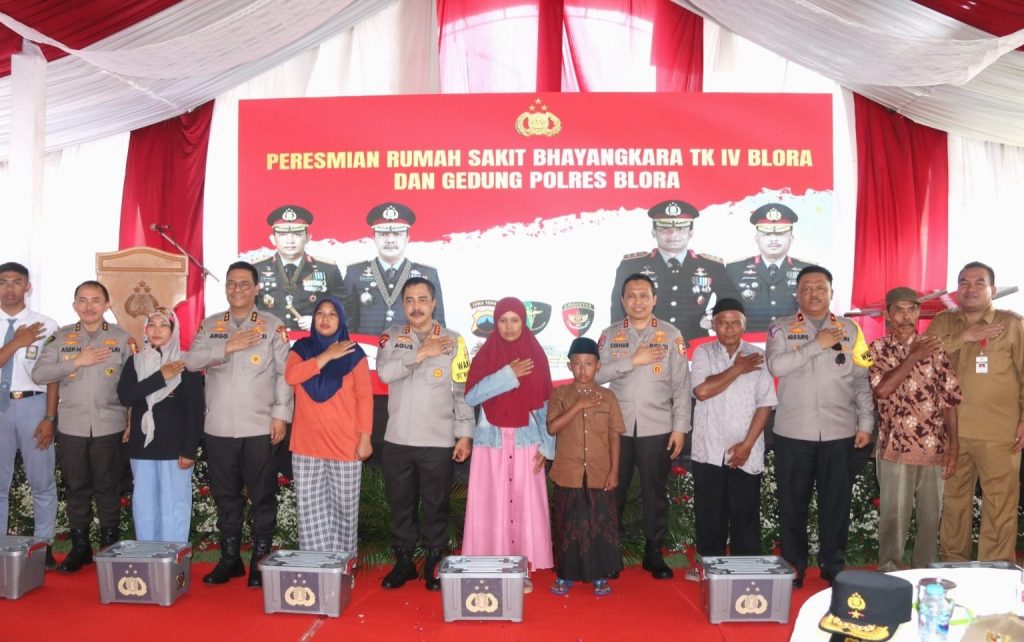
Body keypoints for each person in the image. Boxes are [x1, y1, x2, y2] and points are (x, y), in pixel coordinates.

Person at [765, 265, 874, 587]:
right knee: (792, 504)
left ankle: (833, 565)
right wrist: (816, 344)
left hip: (840, 432)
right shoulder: (780, 328)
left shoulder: (851, 329)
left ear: (831, 293)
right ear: (797, 294)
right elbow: (776, 365)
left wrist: (866, 422)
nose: (814, 293)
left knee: (836, 504)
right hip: (793, 432)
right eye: (807, 288)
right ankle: (794, 565)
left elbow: (861, 380)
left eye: (820, 288)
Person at [185, 261, 292, 587]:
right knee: (225, 496)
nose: (237, 289)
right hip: (219, 427)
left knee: (262, 496)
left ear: (257, 288)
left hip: (259, 426)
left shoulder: (273, 325)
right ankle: (229, 558)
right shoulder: (211, 325)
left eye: (244, 284)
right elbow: (191, 361)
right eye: (231, 283)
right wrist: (227, 347)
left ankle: (260, 561)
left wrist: (280, 414)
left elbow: (284, 374)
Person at [376, 277, 473, 591]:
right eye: (409, 300)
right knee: (400, 505)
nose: (415, 306)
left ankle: (434, 561)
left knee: (435, 505)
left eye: (422, 299)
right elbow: (385, 374)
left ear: (433, 303)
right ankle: (404, 561)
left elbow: (462, 391)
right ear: (402, 304)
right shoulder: (391, 337)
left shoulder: (455, 341)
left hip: (437, 440)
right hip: (398, 440)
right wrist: (420, 353)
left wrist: (464, 434)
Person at [32, 280, 135, 572]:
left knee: (108, 488)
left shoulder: (122, 338)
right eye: (83, 300)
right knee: (76, 488)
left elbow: (132, 384)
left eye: (95, 300)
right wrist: (76, 362)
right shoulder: (60, 337)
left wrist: (130, 420)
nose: (89, 306)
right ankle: (80, 547)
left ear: (106, 304)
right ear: (74, 305)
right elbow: (40, 374)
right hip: (72, 426)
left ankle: (109, 545)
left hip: (110, 425)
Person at [924, 262, 1024, 563]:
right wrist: (963, 337)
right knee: (954, 503)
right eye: (964, 282)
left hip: (1000, 433)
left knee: (1000, 505)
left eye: (979, 282)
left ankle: (995, 568)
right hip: (952, 435)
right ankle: (954, 564)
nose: (970, 288)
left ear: (993, 289)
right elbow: (921, 358)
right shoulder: (943, 322)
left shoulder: (1011, 324)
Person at [596, 273, 690, 580]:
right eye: (631, 295)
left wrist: (680, 428)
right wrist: (632, 361)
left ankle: (653, 553)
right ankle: (610, 553)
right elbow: (595, 374)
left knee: (655, 492)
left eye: (643, 295)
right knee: (613, 491)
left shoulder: (671, 335)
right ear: (622, 301)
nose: (637, 301)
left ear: (654, 299)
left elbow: (681, 386)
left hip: (658, 427)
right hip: (618, 428)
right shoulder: (610, 334)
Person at [462, 297, 554, 590]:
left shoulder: (535, 355)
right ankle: (493, 566)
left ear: (524, 322)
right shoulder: (487, 354)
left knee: (525, 505)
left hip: (527, 440)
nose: (509, 326)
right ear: (495, 323)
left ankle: (522, 568)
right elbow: (472, 396)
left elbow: (546, 405)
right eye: (503, 320)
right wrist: (508, 375)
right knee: (492, 505)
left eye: (515, 320)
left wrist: (548, 446)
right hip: (492, 442)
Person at [868, 287, 961, 571]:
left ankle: (925, 571)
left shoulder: (935, 347)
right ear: (888, 315)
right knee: (894, 515)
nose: (905, 316)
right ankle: (890, 571)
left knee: (930, 517)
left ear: (919, 313)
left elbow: (949, 398)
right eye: (899, 310)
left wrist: (954, 445)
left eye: (911, 310)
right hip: (895, 446)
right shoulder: (878, 348)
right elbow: (882, 390)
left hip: (934, 446)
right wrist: (912, 357)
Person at [687, 298, 776, 581]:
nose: (729, 328)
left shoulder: (757, 356)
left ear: (744, 326)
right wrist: (737, 369)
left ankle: (745, 575)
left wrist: (747, 446)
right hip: (708, 450)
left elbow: (765, 404)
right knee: (709, 515)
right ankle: (710, 572)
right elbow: (702, 392)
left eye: (735, 322)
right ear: (713, 325)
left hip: (746, 451)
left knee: (745, 516)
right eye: (722, 323)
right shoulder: (703, 353)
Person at [284, 296, 372, 554]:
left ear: (341, 320)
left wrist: (365, 438)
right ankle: (316, 568)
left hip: (345, 445)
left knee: (344, 511)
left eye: (332, 314)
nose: (325, 319)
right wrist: (326, 356)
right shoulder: (301, 348)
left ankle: (342, 567)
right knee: (310, 512)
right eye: (320, 313)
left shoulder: (354, 353)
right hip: (307, 446)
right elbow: (291, 376)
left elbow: (364, 398)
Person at [116, 307, 203, 543]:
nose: (157, 330)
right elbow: (126, 397)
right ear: (145, 330)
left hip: (175, 448)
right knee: (144, 503)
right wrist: (160, 377)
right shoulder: (135, 361)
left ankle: (174, 553)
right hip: (142, 445)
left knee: (174, 503)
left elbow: (195, 411)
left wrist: (189, 450)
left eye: (164, 325)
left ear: (173, 330)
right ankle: (147, 553)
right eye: (152, 325)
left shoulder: (186, 363)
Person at [547, 337, 625, 597]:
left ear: (598, 366)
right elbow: (552, 427)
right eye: (577, 364)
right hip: (568, 473)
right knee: (568, 526)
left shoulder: (608, 397)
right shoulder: (560, 394)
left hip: (599, 472)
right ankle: (565, 575)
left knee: (599, 526)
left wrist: (614, 471)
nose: (583, 369)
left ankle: (600, 576)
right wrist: (578, 406)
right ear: (569, 366)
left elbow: (614, 435)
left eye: (588, 364)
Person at [610, 200, 739, 341]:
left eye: (681, 228)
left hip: (694, 345)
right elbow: (618, 311)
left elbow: (732, 303)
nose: (673, 234)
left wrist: (714, 317)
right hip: (645, 344)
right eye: (665, 228)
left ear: (691, 232)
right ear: (654, 232)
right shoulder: (631, 266)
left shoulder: (712, 266)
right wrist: (622, 345)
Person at [0, 262, 59, 569]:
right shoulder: (21, 332)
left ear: (28, 286)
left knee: (42, 480)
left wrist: (50, 417)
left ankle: (43, 544)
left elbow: (53, 375)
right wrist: (16, 343)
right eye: (3, 282)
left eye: (16, 282)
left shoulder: (46, 324)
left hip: (34, 405)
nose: (9, 288)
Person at [345, 202, 445, 336]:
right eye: (383, 234)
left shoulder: (427, 275)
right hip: (367, 347)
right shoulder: (354, 274)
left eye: (397, 234)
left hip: (413, 348)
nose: (390, 240)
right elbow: (346, 324)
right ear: (373, 237)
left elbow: (438, 325)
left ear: (408, 238)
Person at [254, 205, 347, 333]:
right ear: (273, 239)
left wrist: (320, 320)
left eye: (297, 234)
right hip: (270, 340)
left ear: (308, 237)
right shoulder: (256, 270)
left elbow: (343, 309)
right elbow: (246, 311)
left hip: (312, 341)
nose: (290, 241)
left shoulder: (327, 270)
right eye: (282, 235)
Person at [725, 203, 813, 332]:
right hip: (749, 341)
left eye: (780, 234)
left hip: (794, 340)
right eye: (767, 234)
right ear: (757, 238)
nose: (773, 239)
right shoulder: (734, 270)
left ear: (791, 238)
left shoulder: (809, 271)